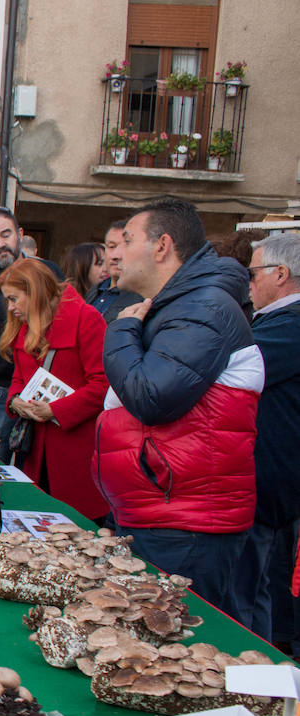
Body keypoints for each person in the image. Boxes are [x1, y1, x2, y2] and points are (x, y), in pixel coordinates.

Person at [93, 198, 262, 623]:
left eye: (127, 240)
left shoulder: (201, 308)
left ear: (162, 246)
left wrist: (121, 332)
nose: (115, 253)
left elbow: (152, 397)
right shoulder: (181, 305)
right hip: (164, 514)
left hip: (186, 523)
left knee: (178, 651)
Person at [0, 259, 110, 521]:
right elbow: (19, 378)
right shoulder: (24, 325)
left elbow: (103, 384)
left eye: (14, 299)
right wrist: (15, 401)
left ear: (34, 292)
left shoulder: (86, 320)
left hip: (77, 455)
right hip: (35, 454)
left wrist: (54, 410)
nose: (10, 308)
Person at [235, 233, 300, 643]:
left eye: (254, 272)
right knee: (256, 587)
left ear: (281, 273)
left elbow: (233, 369)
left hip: (269, 479)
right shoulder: (278, 321)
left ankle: (258, 677)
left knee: (250, 590)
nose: (249, 283)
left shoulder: (290, 325)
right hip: (270, 477)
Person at [0, 207, 61, 461]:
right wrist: (16, 290)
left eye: (5, 235)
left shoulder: (48, 271)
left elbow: (63, 321)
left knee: (38, 467)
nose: (0, 244)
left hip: (44, 390)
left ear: (19, 234)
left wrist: (31, 281)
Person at [91, 220, 142, 323]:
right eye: (111, 246)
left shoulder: (142, 297)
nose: (116, 256)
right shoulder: (95, 290)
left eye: (126, 246)